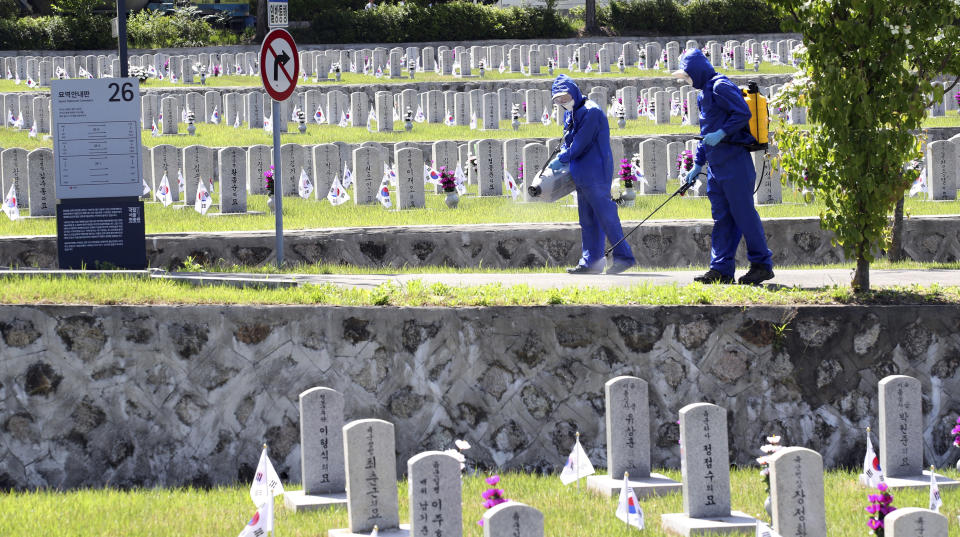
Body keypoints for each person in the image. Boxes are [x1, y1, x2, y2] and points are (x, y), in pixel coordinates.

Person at [673, 49, 774, 285]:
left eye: (688, 76)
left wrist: (723, 132)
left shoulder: (720, 86)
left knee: (744, 215)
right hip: (717, 166)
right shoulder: (703, 94)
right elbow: (705, 133)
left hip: (735, 162)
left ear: (697, 71)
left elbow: (743, 113)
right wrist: (697, 164)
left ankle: (762, 264)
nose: (687, 81)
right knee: (722, 219)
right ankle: (721, 269)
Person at [547, 74, 636, 275]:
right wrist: (562, 156)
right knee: (587, 219)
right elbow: (569, 141)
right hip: (580, 172)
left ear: (573, 92)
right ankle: (591, 261)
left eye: (564, 97)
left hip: (595, 170)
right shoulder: (571, 113)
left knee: (605, 215)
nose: (562, 102)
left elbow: (579, 144)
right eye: (558, 99)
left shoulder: (591, 112)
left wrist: (563, 157)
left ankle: (624, 257)